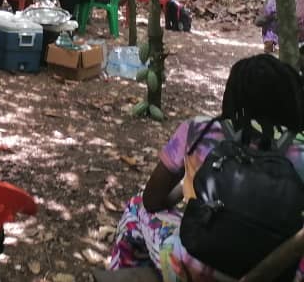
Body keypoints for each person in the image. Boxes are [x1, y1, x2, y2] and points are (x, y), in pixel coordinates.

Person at [108, 54, 304, 280]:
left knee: (136, 207)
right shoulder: (299, 149)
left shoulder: (200, 130)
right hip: (277, 273)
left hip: (192, 268)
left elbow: (151, 201)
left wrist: (184, 187)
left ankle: (125, 273)